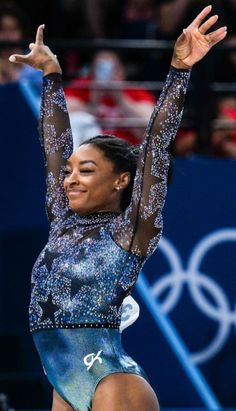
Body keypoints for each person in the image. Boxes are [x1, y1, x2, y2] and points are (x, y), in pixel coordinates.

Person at [9, 6, 227, 411]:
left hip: (112, 381)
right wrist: (52, 76)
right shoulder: (63, 221)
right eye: (70, 172)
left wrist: (179, 69)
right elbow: (54, 148)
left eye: (86, 171)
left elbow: (156, 147)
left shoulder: (130, 229)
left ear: (121, 181)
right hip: (65, 381)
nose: (70, 179)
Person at [65, 50, 156, 145]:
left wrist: (121, 99)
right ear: (92, 70)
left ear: (121, 70)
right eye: (100, 68)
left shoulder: (135, 91)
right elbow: (64, 117)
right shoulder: (82, 87)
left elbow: (151, 126)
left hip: (126, 151)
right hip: (89, 149)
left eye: (112, 68)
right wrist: (93, 103)